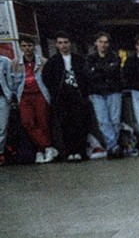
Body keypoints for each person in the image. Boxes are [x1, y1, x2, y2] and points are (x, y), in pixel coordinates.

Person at [11, 35, 60, 164]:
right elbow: (14, 83)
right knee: (27, 122)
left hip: (40, 94)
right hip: (24, 97)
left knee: (43, 122)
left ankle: (41, 150)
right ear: (21, 47)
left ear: (34, 47)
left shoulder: (43, 62)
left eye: (30, 46)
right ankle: (47, 146)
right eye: (24, 46)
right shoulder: (15, 63)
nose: (27, 49)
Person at [42, 32, 90, 161]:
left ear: (70, 43)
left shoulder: (79, 60)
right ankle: (69, 152)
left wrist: (85, 92)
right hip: (61, 98)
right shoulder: (52, 62)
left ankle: (81, 151)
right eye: (61, 43)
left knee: (80, 124)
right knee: (65, 125)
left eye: (66, 42)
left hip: (78, 97)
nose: (63, 45)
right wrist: (55, 91)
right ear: (57, 45)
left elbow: (87, 77)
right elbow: (46, 78)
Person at [85, 32, 124, 158]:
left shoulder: (115, 57)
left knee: (115, 121)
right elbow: (90, 75)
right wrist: (104, 70)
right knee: (103, 121)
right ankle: (113, 146)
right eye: (101, 41)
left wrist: (99, 70)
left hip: (114, 92)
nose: (103, 44)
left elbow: (113, 72)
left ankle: (112, 146)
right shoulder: (90, 59)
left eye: (106, 42)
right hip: (97, 93)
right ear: (96, 43)